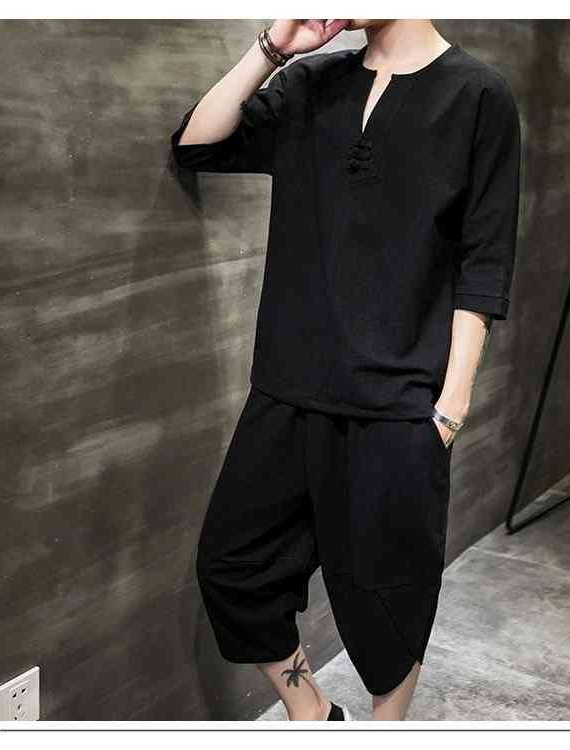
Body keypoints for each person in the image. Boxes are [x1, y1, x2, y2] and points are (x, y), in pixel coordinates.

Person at [170, 18, 520, 721]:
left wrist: (450, 406)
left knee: (391, 598)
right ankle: (313, 714)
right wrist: (273, 49)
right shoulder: (311, 82)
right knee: (233, 567)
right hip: (287, 389)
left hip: (398, 403)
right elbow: (197, 144)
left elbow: (483, 265)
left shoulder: (479, 95)